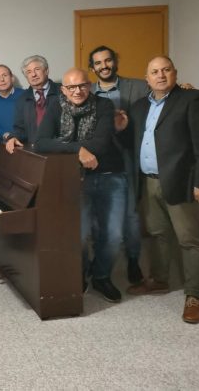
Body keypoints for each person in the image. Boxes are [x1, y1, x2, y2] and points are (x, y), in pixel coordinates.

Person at [124, 56, 199, 324]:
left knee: (189, 240)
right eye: (154, 71)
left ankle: (194, 296)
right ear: (147, 78)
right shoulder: (139, 106)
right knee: (157, 233)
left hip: (180, 181)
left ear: (175, 73)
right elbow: (132, 139)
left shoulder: (192, 99)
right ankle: (159, 280)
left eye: (166, 70)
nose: (161, 75)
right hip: (148, 181)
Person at [34, 68, 127, 302]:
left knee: (114, 234)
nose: (77, 91)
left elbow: (101, 144)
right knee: (80, 233)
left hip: (109, 175)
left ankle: (102, 276)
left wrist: (69, 147)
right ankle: (81, 273)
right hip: (75, 178)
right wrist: (79, 150)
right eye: (71, 87)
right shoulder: (56, 106)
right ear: (63, 90)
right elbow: (41, 142)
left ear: (90, 85)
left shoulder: (104, 105)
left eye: (82, 85)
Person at [88, 45, 149, 285]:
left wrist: (183, 88)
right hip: (97, 161)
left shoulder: (139, 87)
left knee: (130, 215)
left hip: (126, 159)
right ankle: (100, 260)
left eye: (107, 60)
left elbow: (163, 95)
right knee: (96, 216)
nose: (104, 66)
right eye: (98, 63)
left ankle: (133, 259)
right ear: (92, 68)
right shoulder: (86, 91)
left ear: (115, 61)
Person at [5, 55, 60, 153]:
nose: (33, 74)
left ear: (46, 71)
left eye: (37, 69)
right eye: (29, 72)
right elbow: (20, 129)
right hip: (35, 152)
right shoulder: (22, 99)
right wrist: (13, 137)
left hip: (61, 151)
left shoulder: (63, 92)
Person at [0, 64, 23, 140]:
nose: (2, 79)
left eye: (5, 75)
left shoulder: (24, 95)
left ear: (12, 78)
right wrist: (5, 134)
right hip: (1, 142)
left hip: (23, 141)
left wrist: (15, 136)